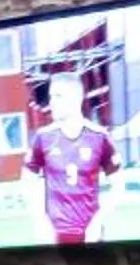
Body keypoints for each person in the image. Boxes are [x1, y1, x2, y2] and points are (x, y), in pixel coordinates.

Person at [25, 65, 118, 244]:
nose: (51, 103)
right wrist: (40, 220)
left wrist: (98, 222)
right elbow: (27, 181)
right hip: (54, 237)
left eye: (58, 96)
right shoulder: (43, 138)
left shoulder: (99, 137)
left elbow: (118, 184)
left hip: (91, 236)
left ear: (76, 99)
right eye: (51, 96)